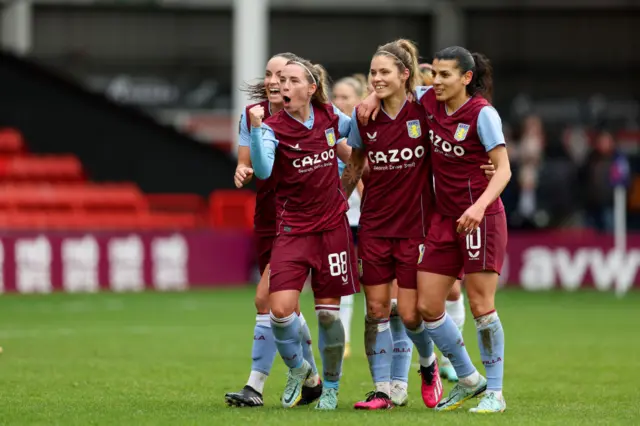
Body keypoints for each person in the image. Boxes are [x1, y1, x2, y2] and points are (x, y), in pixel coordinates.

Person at [359, 46, 510, 413]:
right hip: (443, 218)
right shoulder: (428, 104)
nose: (437, 81)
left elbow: (503, 169)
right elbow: (401, 80)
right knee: (425, 308)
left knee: (480, 305)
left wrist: (479, 205)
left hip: (481, 217)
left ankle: (496, 392)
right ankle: (468, 378)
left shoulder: (482, 114)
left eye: (445, 75)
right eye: (435, 75)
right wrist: (370, 95)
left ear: (466, 78)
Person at [249, 56, 358, 410]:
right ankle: (300, 369)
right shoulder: (272, 127)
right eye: (281, 80)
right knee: (279, 310)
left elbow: (361, 134)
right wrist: (256, 130)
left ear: (311, 89)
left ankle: (331, 386)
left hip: (332, 230)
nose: (283, 85)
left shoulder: (330, 118)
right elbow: (264, 170)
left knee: (328, 315)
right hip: (293, 231)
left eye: (293, 80)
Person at [340, 39, 444, 410]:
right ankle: (382, 389)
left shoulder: (426, 109)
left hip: (415, 227)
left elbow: (455, 94)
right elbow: (354, 165)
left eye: (384, 72)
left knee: (411, 313)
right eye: (372, 73)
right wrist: (336, 204)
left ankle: (429, 366)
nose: (377, 79)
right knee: (376, 310)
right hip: (374, 225)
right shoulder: (363, 118)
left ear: (404, 75)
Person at [225, 53, 322, 408]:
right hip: (266, 218)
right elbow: (246, 161)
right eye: (268, 74)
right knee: (286, 308)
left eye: (281, 75)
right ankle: (311, 377)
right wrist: (241, 169)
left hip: (295, 220)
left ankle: (256, 385)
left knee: (266, 300)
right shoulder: (253, 114)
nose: (273, 81)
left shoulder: (308, 116)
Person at [420, 62, 467, 383]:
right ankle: (427, 362)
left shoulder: (471, 112)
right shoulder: (420, 108)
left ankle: (452, 360)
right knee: (415, 301)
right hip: (419, 213)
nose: (435, 82)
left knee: (452, 291)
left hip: (452, 213)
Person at [332, 75, 367, 359]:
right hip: (341, 216)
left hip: (366, 216)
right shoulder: (328, 129)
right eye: (336, 96)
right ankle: (342, 339)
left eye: (345, 97)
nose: (339, 102)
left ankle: (378, 334)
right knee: (342, 279)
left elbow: (360, 170)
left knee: (372, 281)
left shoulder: (364, 130)